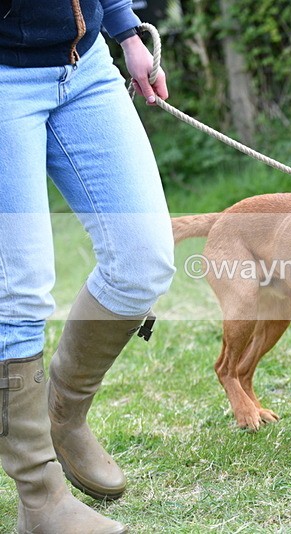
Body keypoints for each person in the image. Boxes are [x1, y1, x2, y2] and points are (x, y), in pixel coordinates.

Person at [0, 1, 175, 532]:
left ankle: (63, 414)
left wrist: (126, 30)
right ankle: (40, 496)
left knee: (143, 261)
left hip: (86, 64)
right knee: (19, 291)